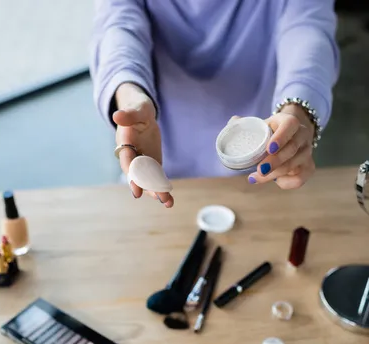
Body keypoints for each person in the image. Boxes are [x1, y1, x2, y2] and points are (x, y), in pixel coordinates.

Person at [90, 1, 339, 207]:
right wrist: (131, 97)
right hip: (158, 154)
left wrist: (298, 112)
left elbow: (308, 29)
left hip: (265, 165)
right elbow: (118, 27)